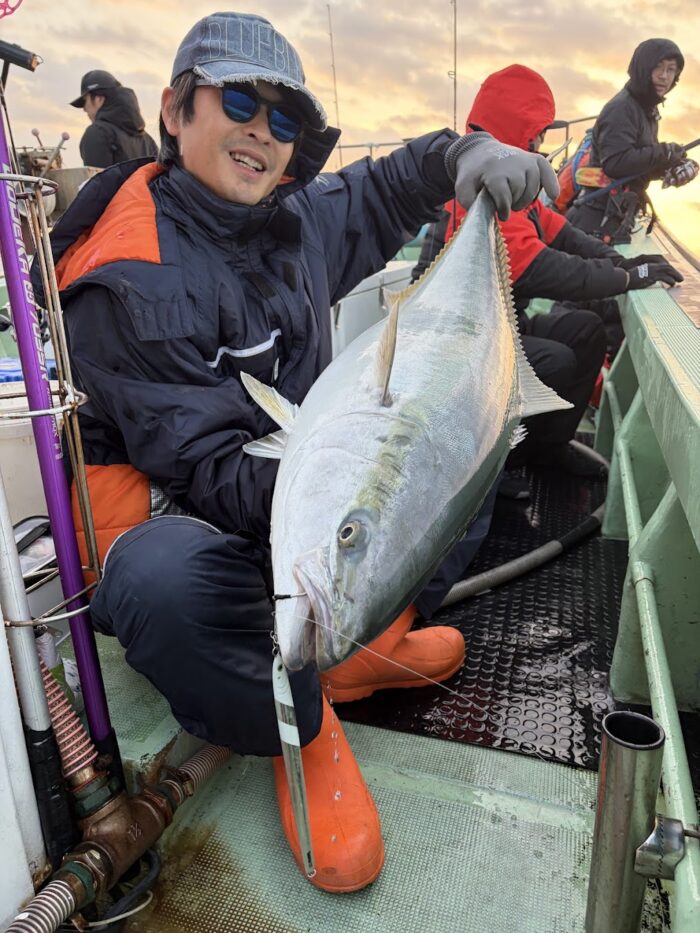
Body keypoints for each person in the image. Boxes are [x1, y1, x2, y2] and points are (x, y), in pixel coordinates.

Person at [45, 13, 557, 894]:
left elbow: (388, 186)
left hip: (298, 490)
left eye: (283, 119)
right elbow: (209, 471)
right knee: (161, 585)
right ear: (174, 109)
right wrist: (363, 490)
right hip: (191, 520)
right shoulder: (127, 276)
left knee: (469, 455)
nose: (262, 130)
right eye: (238, 102)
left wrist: (463, 156)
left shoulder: (289, 217)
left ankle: (350, 637)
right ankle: (301, 717)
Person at [412, 64, 683, 477]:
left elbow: (566, 235)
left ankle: (547, 450)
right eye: (537, 133)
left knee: (586, 330)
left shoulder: (515, 188)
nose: (541, 143)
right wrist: (628, 280)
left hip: (502, 329)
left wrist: (624, 263)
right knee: (553, 362)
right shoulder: (478, 193)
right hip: (457, 348)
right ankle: (498, 468)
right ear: (518, 131)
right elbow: (541, 269)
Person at [567, 38, 697, 240]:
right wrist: (665, 152)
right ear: (642, 68)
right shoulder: (622, 108)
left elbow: (638, 165)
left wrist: (671, 167)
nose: (664, 76)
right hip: (596, 220)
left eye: (671, 69)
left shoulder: (646, 108)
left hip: (615, 217)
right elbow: (616, 163)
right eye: (658, 67)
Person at [70, 69, 158, 167]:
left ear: (99, 99)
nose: (84, 109)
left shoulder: (97, 133)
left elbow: (97, 177)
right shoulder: (149, 141)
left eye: (85, 101)